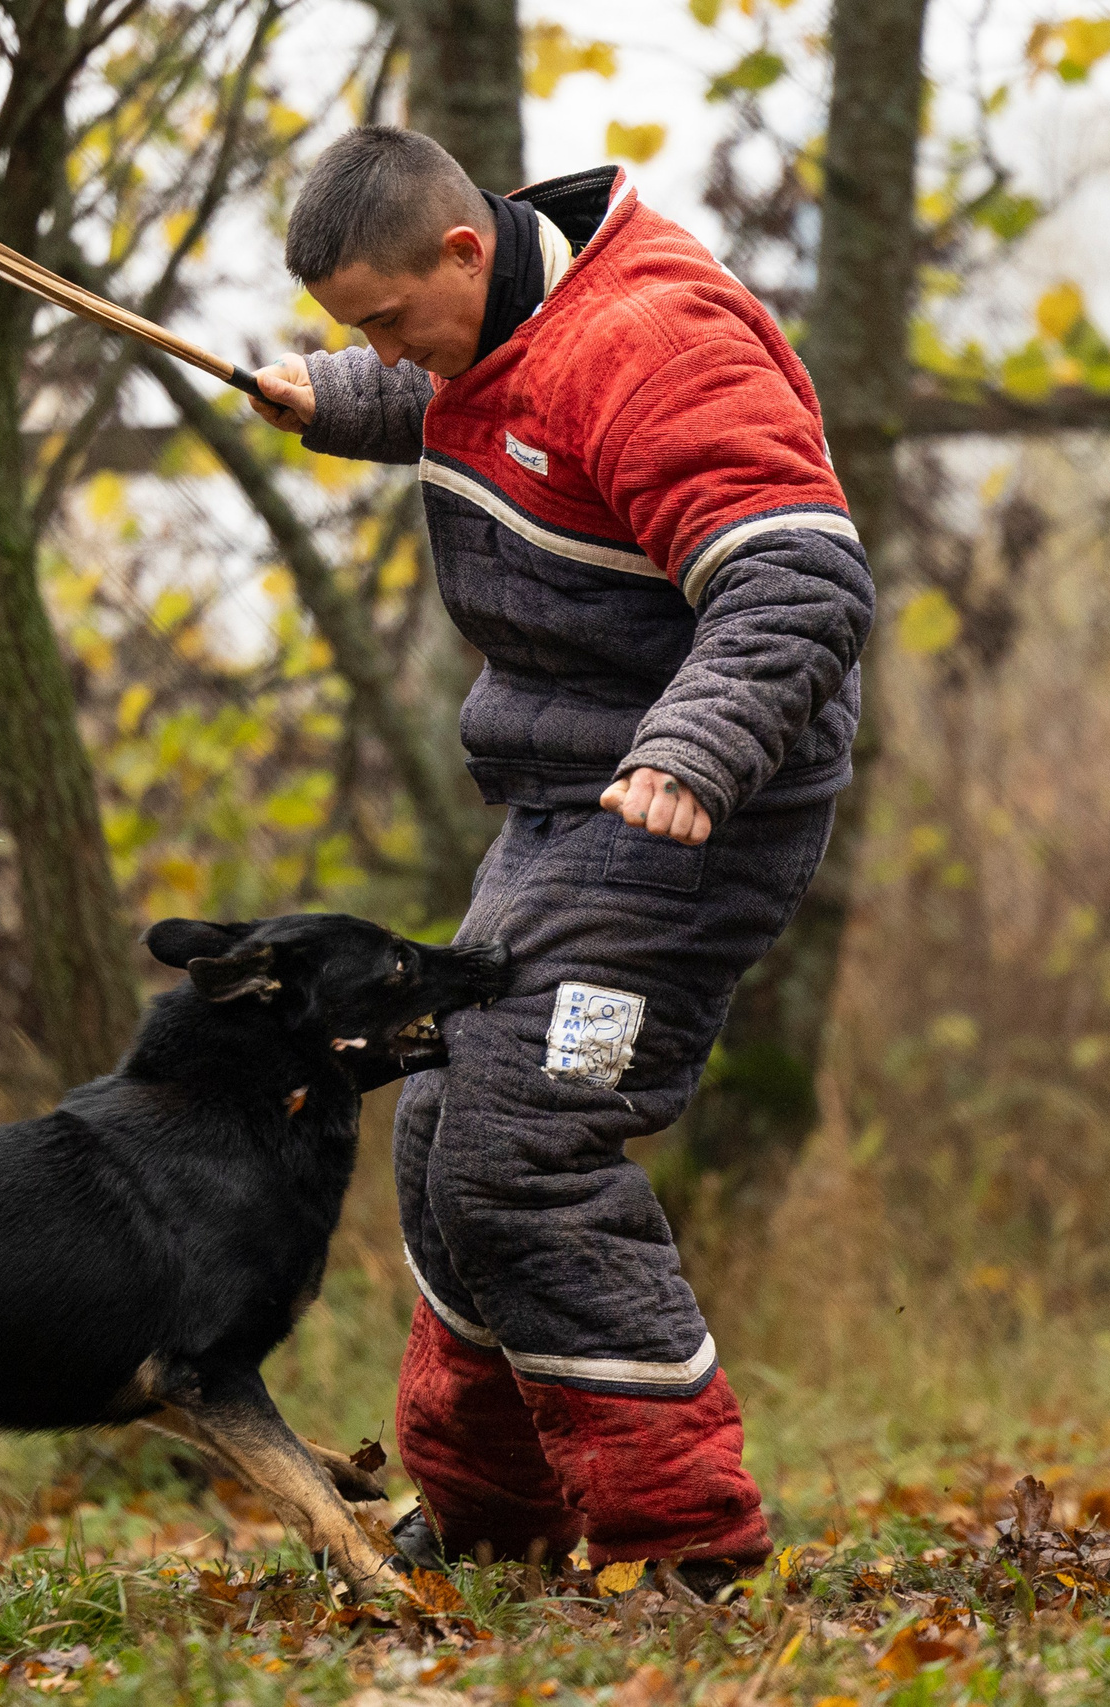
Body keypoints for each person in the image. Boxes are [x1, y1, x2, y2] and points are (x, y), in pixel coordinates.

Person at [249, 126, 872, 1599]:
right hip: (570, 807)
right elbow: (485, 397)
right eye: (359, 336)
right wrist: (336, 395)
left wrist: (692, 751)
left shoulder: (657, 341)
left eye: (387, 325)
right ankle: (493, 1512)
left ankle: (687, 1548)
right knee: (449, 1123)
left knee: (524, 1143)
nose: (389, 353)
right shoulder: (509, 316)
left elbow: (798, 575)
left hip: (693, 816)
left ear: (465, 250)